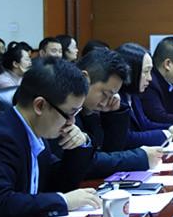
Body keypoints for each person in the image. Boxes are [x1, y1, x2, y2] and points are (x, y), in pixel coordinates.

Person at [0, 59, 100, 217]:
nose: (72, 122)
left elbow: (59, 183)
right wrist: (63, 201)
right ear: (40, 105)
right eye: (69, 113)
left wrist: (80, 145)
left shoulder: (33, 132)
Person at [49, 49, 160, 178]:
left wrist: (113, 115)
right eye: (105, 94)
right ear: (85, 79)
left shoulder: (88, 109)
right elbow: (85, 165)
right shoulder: (60, 105)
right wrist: (139, 158)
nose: (106, 102)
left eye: (111, 96)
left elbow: (108, 151)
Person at [116, 43, 173, 148]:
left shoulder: (133, 95)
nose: (150, 78)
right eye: (146, 71)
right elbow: (127, 139)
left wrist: (170, 128)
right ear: (130, 72)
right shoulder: (116, 98)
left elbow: (145, 124)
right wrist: (164, 135)